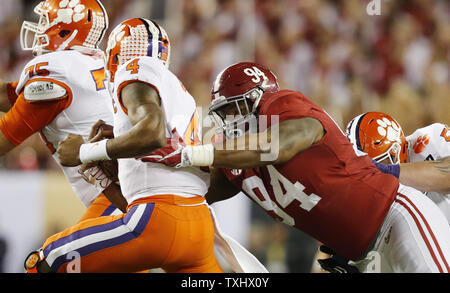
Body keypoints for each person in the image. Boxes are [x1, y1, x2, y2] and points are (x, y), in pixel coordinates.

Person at [141, 61, 450, 272]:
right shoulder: (237, 162)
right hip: (362, 254)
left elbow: (280, 144)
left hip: (395, 216)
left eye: (236, 109)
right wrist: (126, 173)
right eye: (225, 114)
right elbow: (185, 196)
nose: (230, 122)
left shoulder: (283, 104)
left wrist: (192, 153)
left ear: (257, 99)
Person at [29, 18, 226, 273]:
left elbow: (151, 133)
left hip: (157, 220)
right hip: (197, 225)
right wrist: (112, 152)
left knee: (47, 261)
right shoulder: (179, 92)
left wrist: (84, 151)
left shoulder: (134, 68)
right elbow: (158, 146)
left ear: (116, 53)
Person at [0, 0, 127, 223]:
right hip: (124, 188)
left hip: (114, 199)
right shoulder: (89, 62)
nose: (40, 28)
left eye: (45, 22)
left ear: (66, 30)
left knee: (57, 257)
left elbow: (3, 140)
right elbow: (10, 97)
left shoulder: (56, 70)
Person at [346, 112, 450, 222]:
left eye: (379, 163)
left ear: (397, 151)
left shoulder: (429, 141)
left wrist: (385, 171)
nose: (370, 176)